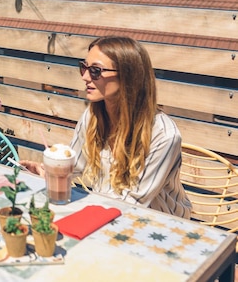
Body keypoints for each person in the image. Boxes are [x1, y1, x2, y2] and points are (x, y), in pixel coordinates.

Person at [21, 36, 191, 218]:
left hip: (161, 224)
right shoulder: (92, 116)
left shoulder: (163, 135)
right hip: (107, 211)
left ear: (127, 76)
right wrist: (49, 172)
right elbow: (76, 165)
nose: (85, 77)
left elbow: (132, 202)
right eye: (84, 68)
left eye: (95, 71)